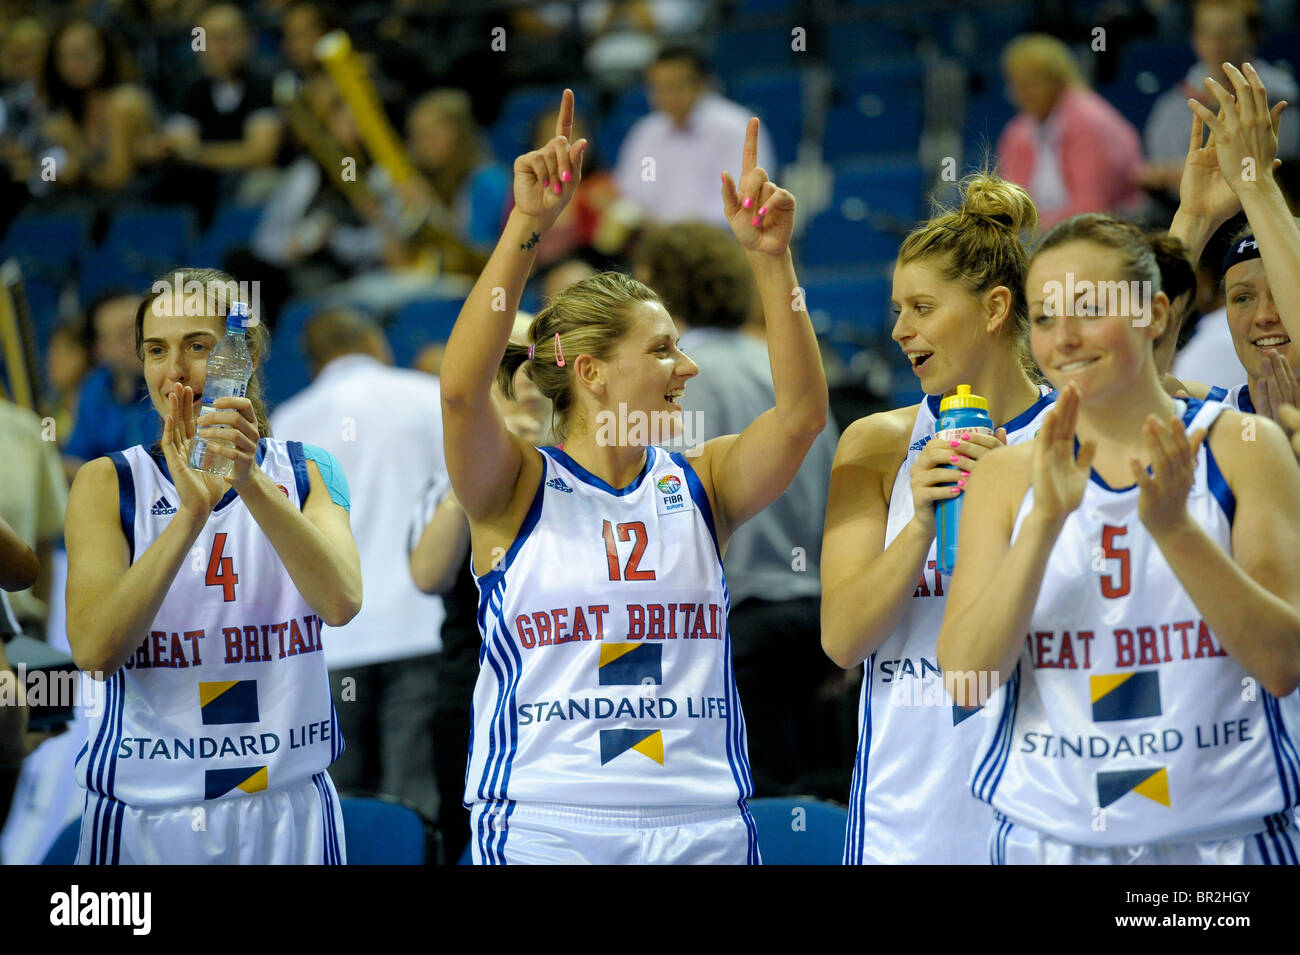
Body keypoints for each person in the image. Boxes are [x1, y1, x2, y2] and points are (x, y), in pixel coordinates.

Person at [440, 90, 827, 864]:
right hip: (548, 823)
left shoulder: (702, 477)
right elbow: (458, 390)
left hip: (702, 821)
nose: (685, 367)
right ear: (590, 372)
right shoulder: (512, 487)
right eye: (660, 351)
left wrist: (770, 258)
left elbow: (801, 416)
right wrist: (525, 227)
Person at [938, 214, 1300, 864]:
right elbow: (965, 679)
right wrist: (1043, 525)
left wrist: (1178, 532)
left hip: (1223, 837)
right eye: (1045, 317)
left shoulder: (1244, 444)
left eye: (1088, 308)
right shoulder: (1006, 473)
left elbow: (1281, 665)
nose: (1064, 337)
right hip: (1052, 837)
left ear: (1155, 313)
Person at [63, 268, 362, 864]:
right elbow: (95, 651)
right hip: (147, 814)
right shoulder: (107, 483)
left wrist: (247, 482)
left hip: (287, 806)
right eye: (155, 350)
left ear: (242, 355)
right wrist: (189, 517)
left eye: (197, 346)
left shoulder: (311, 471)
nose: (174, 371)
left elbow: (341, 601)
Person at [820, 173, 1056, 864]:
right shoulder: (877, 440)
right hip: (911, 807)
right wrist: (920, 521)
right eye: (897, 308)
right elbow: (842, 638)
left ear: (994, 308)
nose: (900, 330)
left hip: (1044, 787)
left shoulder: (1071, 435)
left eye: (921, 307)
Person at [635, 220, 841, 797]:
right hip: (816, 613)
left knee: (749, 794)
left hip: (739, 619)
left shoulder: (675, 377)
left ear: (662, 288)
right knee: (809, 798)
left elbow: (662, 507)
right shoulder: (788, 366)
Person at [270, 307, 445, 825]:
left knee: (342, 810)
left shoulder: (290, 421)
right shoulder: (427, 396)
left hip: (336, 637)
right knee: (418, 806)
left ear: (312, 360)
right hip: (422, 627)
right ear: (374, 339)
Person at [409, 314, 548, 864]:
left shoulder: (584, 469)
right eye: (507, 363)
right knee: (467, 837)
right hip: (470, 691)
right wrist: (483, 482)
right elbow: (427, 574)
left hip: (557, 690)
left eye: (537, 361)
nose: (524, 379)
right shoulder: (452, 478)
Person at [1181, 64, 1300, 423]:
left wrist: (1257, 184)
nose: (1264, 317)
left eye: (1280, 292)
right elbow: (1127, 368)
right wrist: (1194, 217)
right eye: (1242, 298)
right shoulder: (1214, 415)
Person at [1141, 0, 1298, 203]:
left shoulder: (1279, 97)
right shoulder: (1174, 103)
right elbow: (1157, 168)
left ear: (1253, 36)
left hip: (1257, 211)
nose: (1217, 43)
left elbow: (1280, 170)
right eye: (1207, 33)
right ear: (1195, 39)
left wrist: (1204, 174)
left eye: (1229, 33)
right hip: (1181, 209)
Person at [614, 44, 776, 229]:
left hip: (722, 244)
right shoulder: (646, 132)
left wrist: (681, 228)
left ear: (702, 84)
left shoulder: (735, 127)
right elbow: (632, 194)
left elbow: (745, 200)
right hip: (660, 242)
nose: (666, 96)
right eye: (658, 88)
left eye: (674, 86)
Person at [996, 34, 1145, 230]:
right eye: (1017, 83)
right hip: (1043, 233)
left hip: (1108, 230)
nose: (1023, 92)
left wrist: (1035, 233)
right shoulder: (1017, 133)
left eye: (1033, 81)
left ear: (1058, 80)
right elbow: (1012, 206)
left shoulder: (1090, 122)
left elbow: (1091, 208)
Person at [63, 289, 159, 478]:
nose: (142, 340)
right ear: (100, 349)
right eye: (127, 334)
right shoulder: (94, 387)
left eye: (145, 327)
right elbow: (76, 459)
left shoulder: (172, 380)